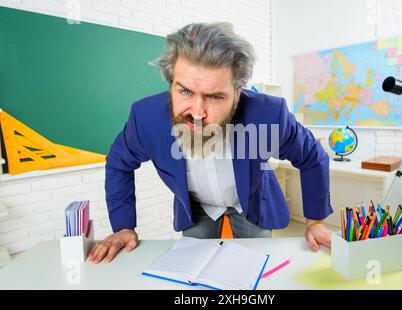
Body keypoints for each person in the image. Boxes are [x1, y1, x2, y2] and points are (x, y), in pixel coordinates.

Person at [88, 22, 333, 265]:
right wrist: (123, 227)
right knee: (193, 273)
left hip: (251, 202)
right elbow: (119, 163)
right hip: (197, 209)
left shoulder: (268, 114)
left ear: (237, 93)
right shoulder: (146, 119)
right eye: (184, 91)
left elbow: (312, 156)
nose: (197, 112)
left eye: (215, 96)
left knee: (257, 269)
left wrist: (315, 221)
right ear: (171, 83)